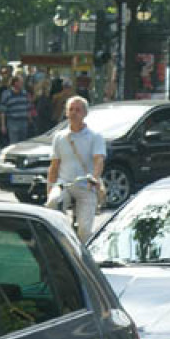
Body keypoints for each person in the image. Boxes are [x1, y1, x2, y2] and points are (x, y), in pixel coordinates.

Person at [46, 96, 107, 242]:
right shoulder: (59, 137)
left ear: (85, 113)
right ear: (66, 113)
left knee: (85, 230)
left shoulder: (95, 136)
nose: (74, 113)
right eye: (70, 109)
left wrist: (94, 178)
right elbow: (54, 165)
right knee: (52, 204)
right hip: (64, 184)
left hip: (85, 185)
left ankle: (81, 256)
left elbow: (99, 160)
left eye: (78, 110)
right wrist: (50, 187)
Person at [0, 75, 32, 145]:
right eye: (21, 82)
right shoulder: (6, 94)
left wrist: (30, 120)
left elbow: (28, 107)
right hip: (12, 121)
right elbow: (2, 111)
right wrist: (3, 125)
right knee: (14, 143)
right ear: (15, 83)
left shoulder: (25, 93)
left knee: (23, 143)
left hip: (24, 121)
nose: (22, 84)